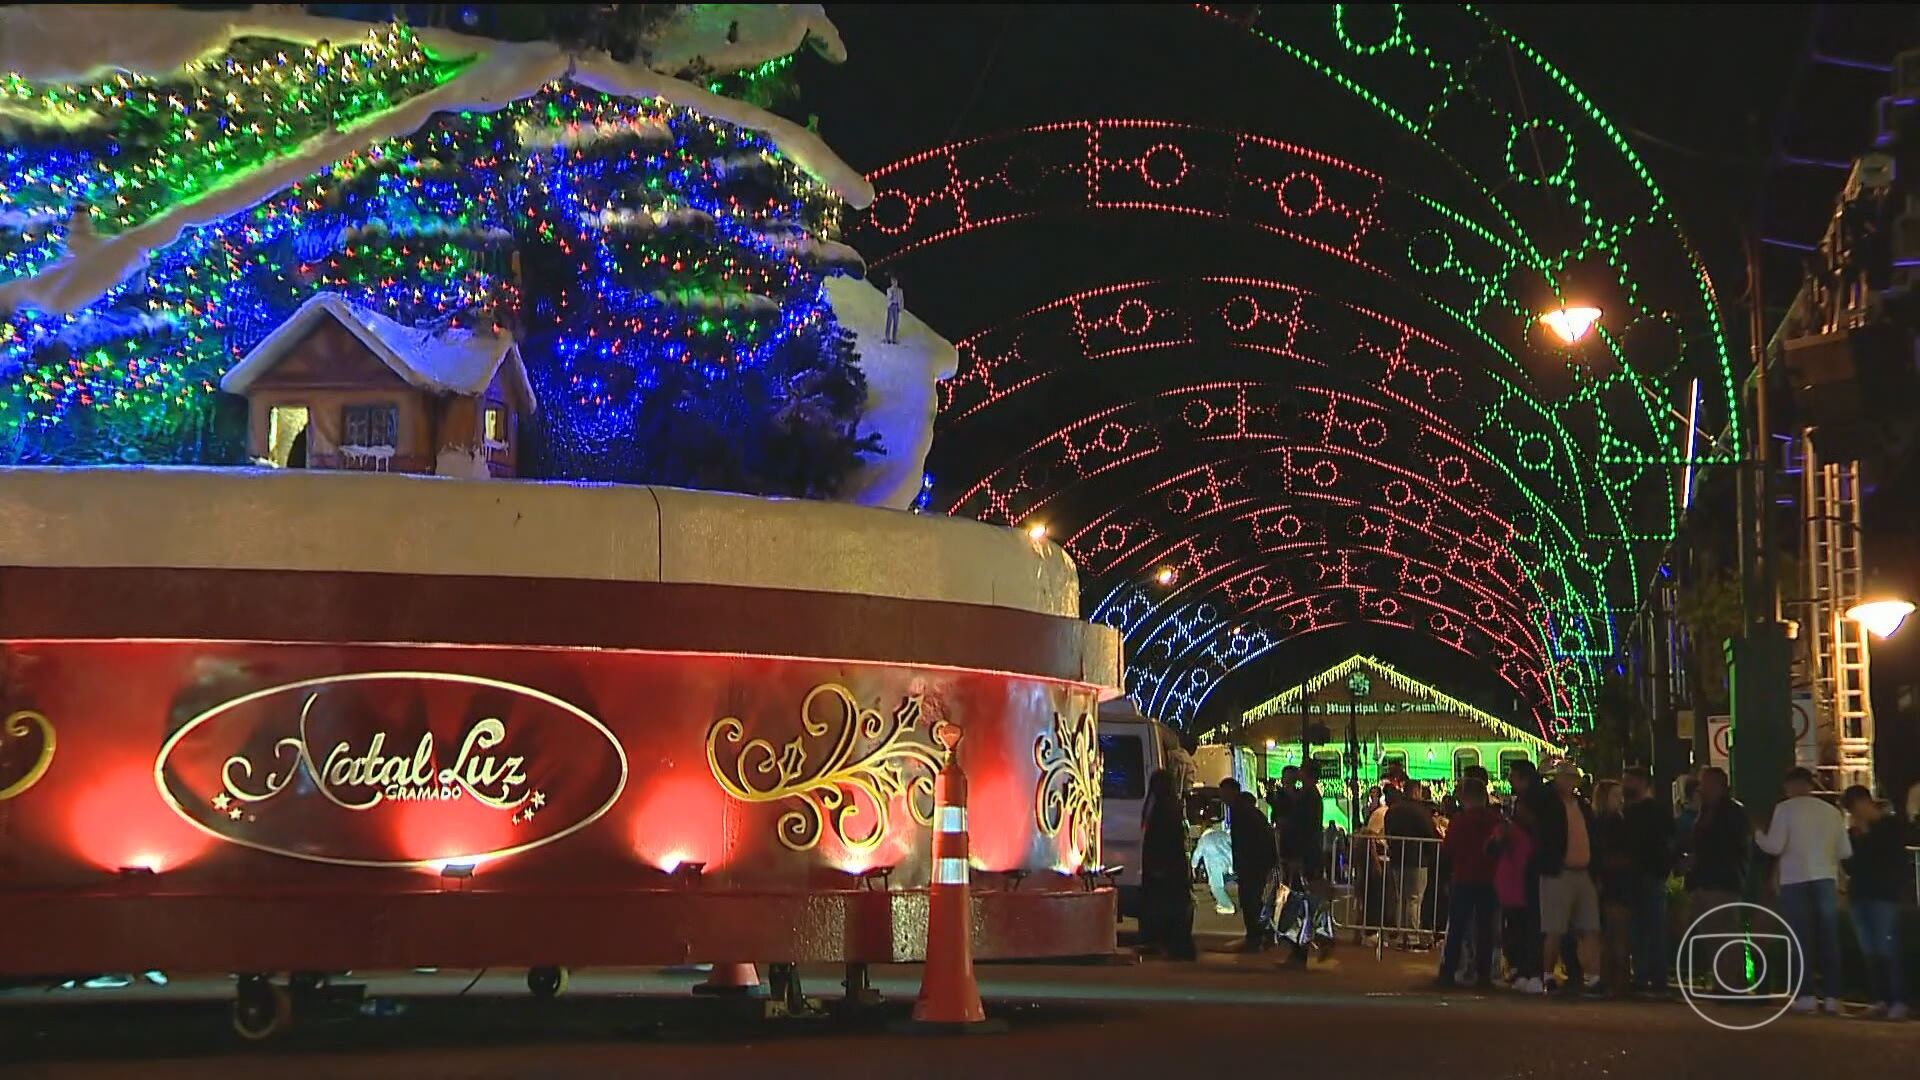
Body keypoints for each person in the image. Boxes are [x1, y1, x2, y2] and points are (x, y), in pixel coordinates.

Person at [1756, 767, 1850, 1014]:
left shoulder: (1785, 809)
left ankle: (1806, 995)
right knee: (1829, 938)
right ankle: (1833, 996)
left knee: (1799, 938)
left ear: (1790, 786)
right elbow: (1845, 851)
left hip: (1794, 879)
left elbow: (1775, 846)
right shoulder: (1832, 811)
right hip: (1825, 877)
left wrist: (1757, 834)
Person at [1679, 765, 1750, 992]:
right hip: (1705, 881)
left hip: (1721, 881)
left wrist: (1699, 858)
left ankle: (1733, 982)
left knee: (1724, 931)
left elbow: (1729, 846)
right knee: (1711, 933)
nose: (1702, 788)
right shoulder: (1706, 811)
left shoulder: (1731, 812)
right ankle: (1723, 981)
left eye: (1706, 783)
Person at [1841, 785, 1909, 1019]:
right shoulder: (1855, 833)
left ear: (1865, 802)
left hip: (1883, 895)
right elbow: (1849, 865)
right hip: (1860, 894)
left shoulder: (1890, 827)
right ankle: (1881, 999)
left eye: (1855, 808)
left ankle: (1897, 999)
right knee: (1870, 950)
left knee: (1887, 948)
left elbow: (1890, 858)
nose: (1854, 814)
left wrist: (1864, 837)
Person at [1535, 761, 1600, 996]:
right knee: (1555, 928)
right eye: (1565, 778)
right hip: (1559, 872)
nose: (1568, 782)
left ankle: (1593, 977)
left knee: (1590, 927)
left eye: (1571, 778)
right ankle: (1549, 975)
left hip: (1581, 871)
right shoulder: (1549, 805)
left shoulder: (1581, 806)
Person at [1436, 777, 1501, 989]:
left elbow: (1448, 850)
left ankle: (1449, 971)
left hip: (1464, 877)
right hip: (1489, 878)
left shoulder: (1460, 821)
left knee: (1457, 927)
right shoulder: (1495, 820)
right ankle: (1483, 974)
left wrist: (1446, 876)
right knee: (1485, 929)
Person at [1620, 766, 1674, 995]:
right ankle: (1645, 976)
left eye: (1629, 781)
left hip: (1649, 875)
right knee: (1642, 929)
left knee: (1651, 928)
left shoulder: (1652, 811)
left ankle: (1654, 977)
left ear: (1643, 783)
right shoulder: (1631, 811)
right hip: (1638, 876)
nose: (1625, 786)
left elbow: (1666, 842)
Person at [1139, 768, 1196, 960]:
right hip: (1170, 867)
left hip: (1166, 868)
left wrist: (1158, 866)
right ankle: (1174, 944)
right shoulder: (1170, 805)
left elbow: (1164, 840)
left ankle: (1176, 946)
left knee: (1168, 906)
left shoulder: (1165, 808)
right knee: (1172, 906)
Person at [1221, 778, 1277, 950]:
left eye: (1224, 792)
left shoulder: (1243, 812)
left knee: (1250, 900)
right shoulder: (1244, 810)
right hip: (1253, 862)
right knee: (1252, 900)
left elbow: (1251, 840)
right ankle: (1262, 934)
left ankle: (1257, 937)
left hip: (1252, 863)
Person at [1384, 780, 1440, 948]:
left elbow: (1388, 834)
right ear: (1416, 792)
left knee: (1402, 898)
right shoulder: (1420, 811)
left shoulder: (1392, 811)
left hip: (1397, 857)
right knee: (1415, 898)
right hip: (1417, 858)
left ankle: (1402, 936)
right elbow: (1429, 834)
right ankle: (1413, 937)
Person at [1591, 779, 1633, 997]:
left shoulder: (1609, 822)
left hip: (1614, 884)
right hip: (1614, 883)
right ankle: (1615, 980)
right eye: (1616, 796)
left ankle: (1614, 980)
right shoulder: (1612, 823)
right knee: (1614, 934)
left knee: (1614, 934)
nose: (1621, 800)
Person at [1192, 820, 1236, 915]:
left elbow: (1197, 854)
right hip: (1228, 861)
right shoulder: (1222, 834)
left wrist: (1193, 866)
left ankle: (1228, 906)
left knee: (1216, 887)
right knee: (1215, 884)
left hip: (1215, 864)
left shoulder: (1203, 840)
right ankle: (1221, 902)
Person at [884, 277, 904, 343]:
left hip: (896, 307)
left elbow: (901, 299)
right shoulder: (889, 289)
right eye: (893, 281)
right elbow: (889, 297)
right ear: (891, 282)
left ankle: (894, 338)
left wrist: (901, 307)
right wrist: (892, 290)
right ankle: (887, 338)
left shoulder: (900, 290)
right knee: (889, 322)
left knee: (896, 322)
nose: (895, 283)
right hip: (891, 306)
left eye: (895, 281)